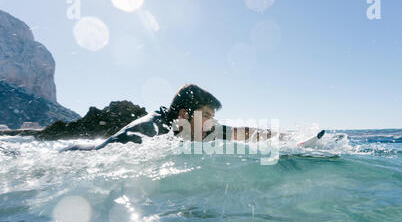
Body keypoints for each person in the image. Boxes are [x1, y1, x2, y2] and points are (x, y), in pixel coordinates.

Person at [60, 84, 273, 152]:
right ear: (184, 115)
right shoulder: (148, 130)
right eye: (207, 115)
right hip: (75, 154)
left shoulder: (194, 125)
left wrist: (284, 137)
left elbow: (238, 132)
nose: (211, 122)